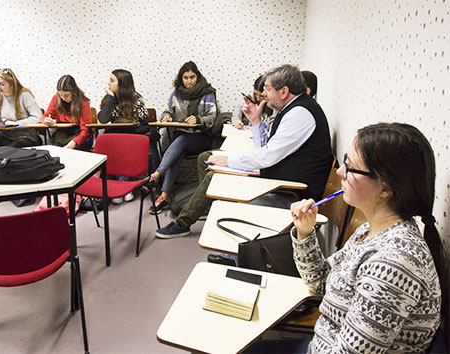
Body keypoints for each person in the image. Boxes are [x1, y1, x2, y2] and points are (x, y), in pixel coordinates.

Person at [282, 122, 447, 353]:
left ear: (385, 189)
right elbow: (320, 283)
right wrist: (305, 233)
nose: (340, 172)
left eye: (350, 168)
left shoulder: (394, 263)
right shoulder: (370, 232)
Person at [155, 64, 334, 239]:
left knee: (214, 174)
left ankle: (184, 222)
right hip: (276, 174)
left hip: (290, 189)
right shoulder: (289, 109)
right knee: (206, 158)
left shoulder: (299, 113)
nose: (263, 94)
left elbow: (267, 156)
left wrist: (229, 161)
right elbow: (266, 147)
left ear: (284, 91)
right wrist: (255, 121)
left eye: (267, 89)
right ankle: (209, 205)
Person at [149, 61, 217, 213]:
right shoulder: (176, 94)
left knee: (182, 140)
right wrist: (166, 116)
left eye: (192, 77)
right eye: (185, 78)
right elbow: (168, 111)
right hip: (182, 138)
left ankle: (158, 172)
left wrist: (199, 120)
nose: (188, 81)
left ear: (197, 77)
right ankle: (164, 195)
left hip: (202, 138)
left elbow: (212, 117)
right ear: (181, 78)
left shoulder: (208, 93)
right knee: (178, 151)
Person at [98, 69, 154, 204]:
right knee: (106, 145)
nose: (108, 83)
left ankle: (123, 187)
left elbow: (145, 125)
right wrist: (110, 98)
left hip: (133, 136)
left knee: (125, 147)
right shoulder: (109, 99)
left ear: (122, 83)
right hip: (116, 137)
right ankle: (113, 187)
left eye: (112, 81)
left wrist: (129, 132)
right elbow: (103, 119)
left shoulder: (135, 98)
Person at [0, 68, 43, 150]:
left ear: (11, 84)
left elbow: (38, 117)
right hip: (6, 137)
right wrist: (5, 121)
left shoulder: (24, 94)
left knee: (9, 151)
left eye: (2, 84)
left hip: (25, 136)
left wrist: (17, 124)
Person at [42, 75, 93, 151]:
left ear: (74, 92)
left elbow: (85, 130)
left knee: (73, 148)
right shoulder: (56, 98)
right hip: (62, 131)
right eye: (60, 95)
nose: (63, 98)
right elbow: (46, 116)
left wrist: (75, 142)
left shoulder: (83, 102)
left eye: (66, 95)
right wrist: (46, 120)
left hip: (79, 133)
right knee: (55, 145)